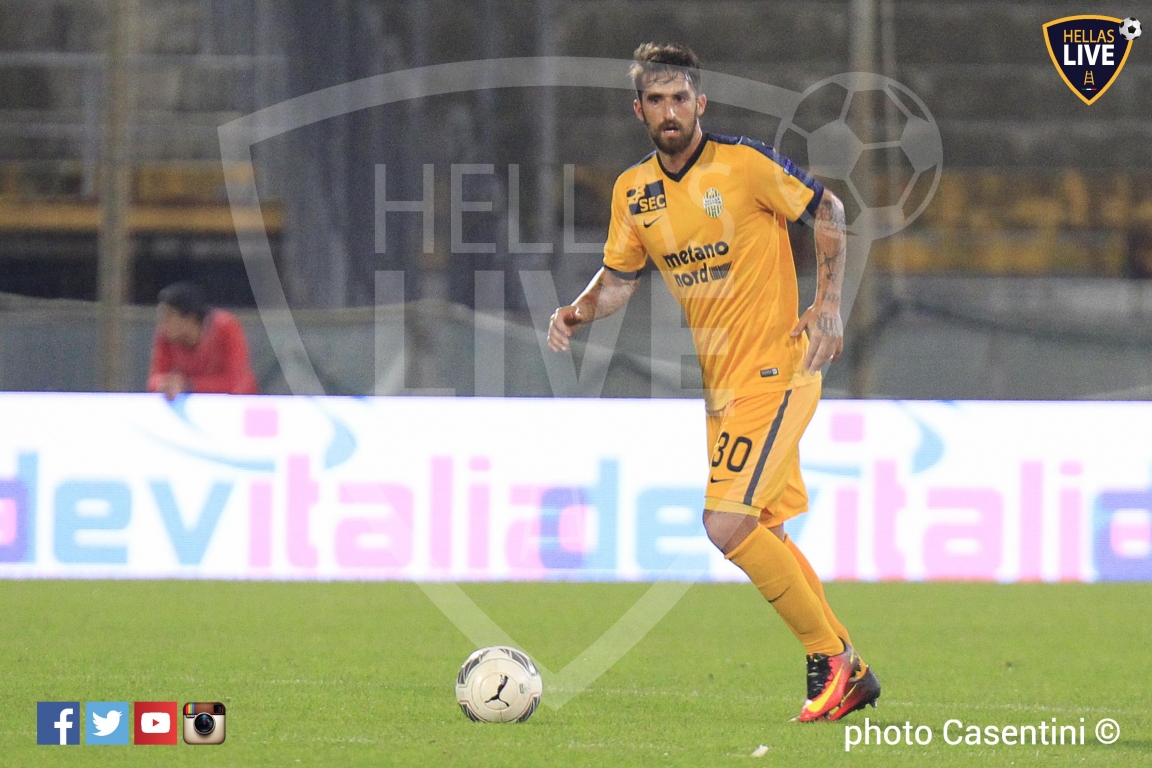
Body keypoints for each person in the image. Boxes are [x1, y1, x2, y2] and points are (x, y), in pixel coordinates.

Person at [548, 43, 879, 722]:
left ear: (700, 103)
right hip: (722, 390)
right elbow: (619, 279)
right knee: (763, 531)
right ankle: (850, 667)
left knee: (725, 524)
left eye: (680, 98)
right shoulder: (634, 191)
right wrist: (577, 310)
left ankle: (832, 659)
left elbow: (828, 209)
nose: (669, 111)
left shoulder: (744, 165)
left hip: (778, 371)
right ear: (638, 110)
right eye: (656, 100)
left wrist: (828, 303)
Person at [147, 281, 258, 400]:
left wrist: (188, 385)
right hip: (192, 402)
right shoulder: (166, 335)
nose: (162, 323)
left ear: (190, 318)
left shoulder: (226, 326)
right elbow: (154, 379)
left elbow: (234, 381)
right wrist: (164, 384)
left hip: (237, 402)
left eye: (169, 316)